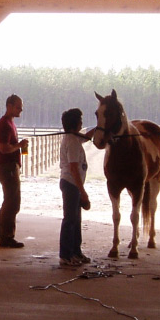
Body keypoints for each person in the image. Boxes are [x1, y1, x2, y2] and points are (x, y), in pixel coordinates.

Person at [0, 94, 28, 248]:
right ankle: (6, 237)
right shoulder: (4, 125)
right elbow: (4, 149)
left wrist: (19, 145)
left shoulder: (10, 123)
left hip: (10, 166)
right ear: (9, 106)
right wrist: (19, 146)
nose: (21, 110)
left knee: (9, 200)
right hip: (6, 167)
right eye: (18, 107)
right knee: (13, 202)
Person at [58, 107, 91, 267]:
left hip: (74, 184)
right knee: (70, 220)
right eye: (80, 120)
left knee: (76, 220)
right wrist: (83, 191)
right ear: (75, 123)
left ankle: (76, 251)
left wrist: (99, 129)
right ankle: (65, 254)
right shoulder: (71, 141)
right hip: (71, 183)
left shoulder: (75, 137)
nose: (82, 123)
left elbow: (85, 137)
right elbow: (73, 168)